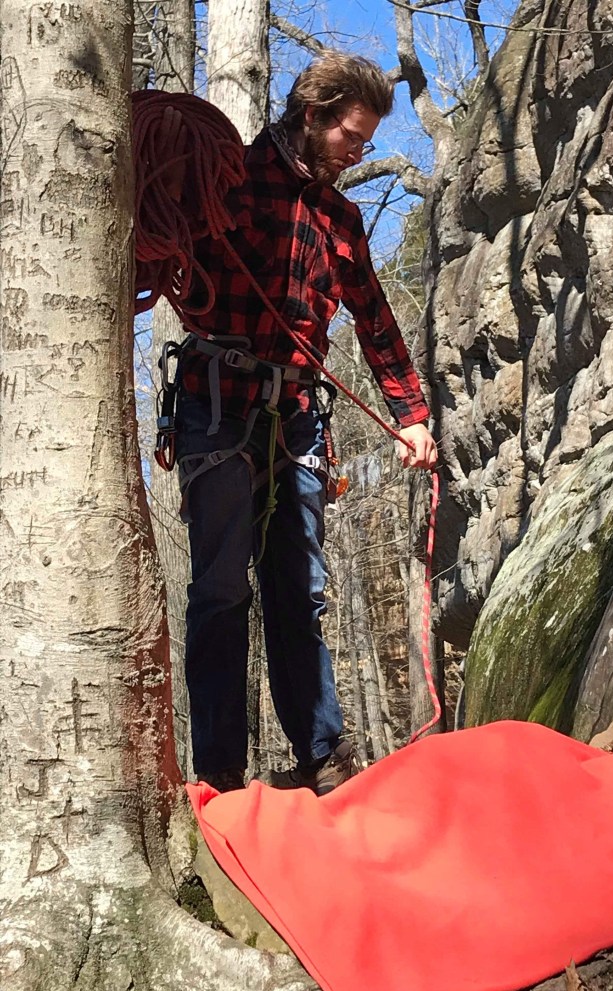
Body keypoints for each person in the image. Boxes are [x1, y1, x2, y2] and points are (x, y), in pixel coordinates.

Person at [175, 52, 437, 796]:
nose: (359, 152)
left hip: (294, 419)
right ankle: (219, 772)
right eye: (352, 136)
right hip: (216, 404)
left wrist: (411, 415)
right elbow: (158, 243)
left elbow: (376, 321)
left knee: (299, 588)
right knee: (221, 587)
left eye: (366, 141)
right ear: (314, 116)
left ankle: (322, 757)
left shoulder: (341, 220)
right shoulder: (223, 182)